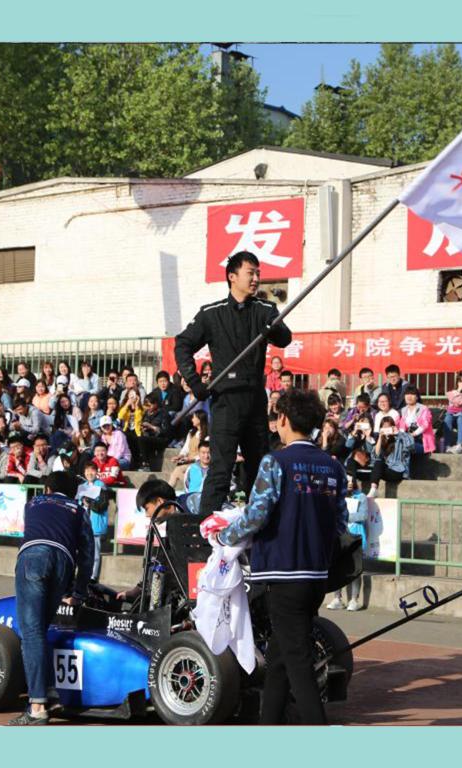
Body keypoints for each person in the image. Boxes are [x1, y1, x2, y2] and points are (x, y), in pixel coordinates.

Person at [215, 389, 348, 725]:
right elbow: (341, 522)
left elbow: (256, 515)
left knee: (297, 660)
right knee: (279, 657)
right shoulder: (333, 467)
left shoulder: (275, 462)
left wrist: (223, 536)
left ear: (283, 419)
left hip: (283, 572)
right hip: (317, 575)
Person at [174, 250, 292, 517]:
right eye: (251, 273)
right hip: (226, 400)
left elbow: (285, 339)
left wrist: (274, 328)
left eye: (258, 273)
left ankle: (261, 525)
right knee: (221, 468)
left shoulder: (265, 310)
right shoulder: (211, 313)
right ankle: (204, 529)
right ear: (232, 276)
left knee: (258, 467)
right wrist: (194, 381)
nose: (256, 279)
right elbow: (182, 344)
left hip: (255, 398)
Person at [9, 471, 94, 725]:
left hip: (33, 558)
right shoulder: (79, 510)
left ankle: (37, 706)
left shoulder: (33, 503)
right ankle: (49, 691)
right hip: (63, 563)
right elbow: (88, 556)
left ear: (47, 489)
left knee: (31, 633)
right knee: (41, 630)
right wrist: (78, 593)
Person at [368, 416, 415, 499]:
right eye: (384, 427)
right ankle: (373, 489)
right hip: (386, 470)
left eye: (388, 427)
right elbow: (375, 456)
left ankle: (374, 489)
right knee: (378, 462)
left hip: (397, 470)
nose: (386, 429)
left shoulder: (399, 438)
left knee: (378, 466)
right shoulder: (381, 439)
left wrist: (398, 433)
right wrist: (380, 437)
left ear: (393, 427)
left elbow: (411, 445)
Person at [78, 462, 109, 581]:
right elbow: (78, 503)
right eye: (87, 471)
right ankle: (83, 574)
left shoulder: (101, 485)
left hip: (95, 524)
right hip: (83, 523)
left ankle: (93, 576)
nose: (89, 473)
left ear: (97, 472)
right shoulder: (83, 486)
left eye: (92, 470)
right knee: (83, 551)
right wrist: (82, 502)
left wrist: (89, 503)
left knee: (95, 552)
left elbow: (102, 505)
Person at [137, 392, 171, 471]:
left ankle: (145, 464)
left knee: (142, 440)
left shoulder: (163, 414)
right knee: (134, 438)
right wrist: (143, 428)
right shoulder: (146, 414)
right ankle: (137, 462)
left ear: (155, 404)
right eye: (146, 405)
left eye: (149, 405)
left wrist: (151, 427)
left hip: (161, 439)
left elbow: (165, 431)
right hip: (149, 437)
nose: (147, 407)